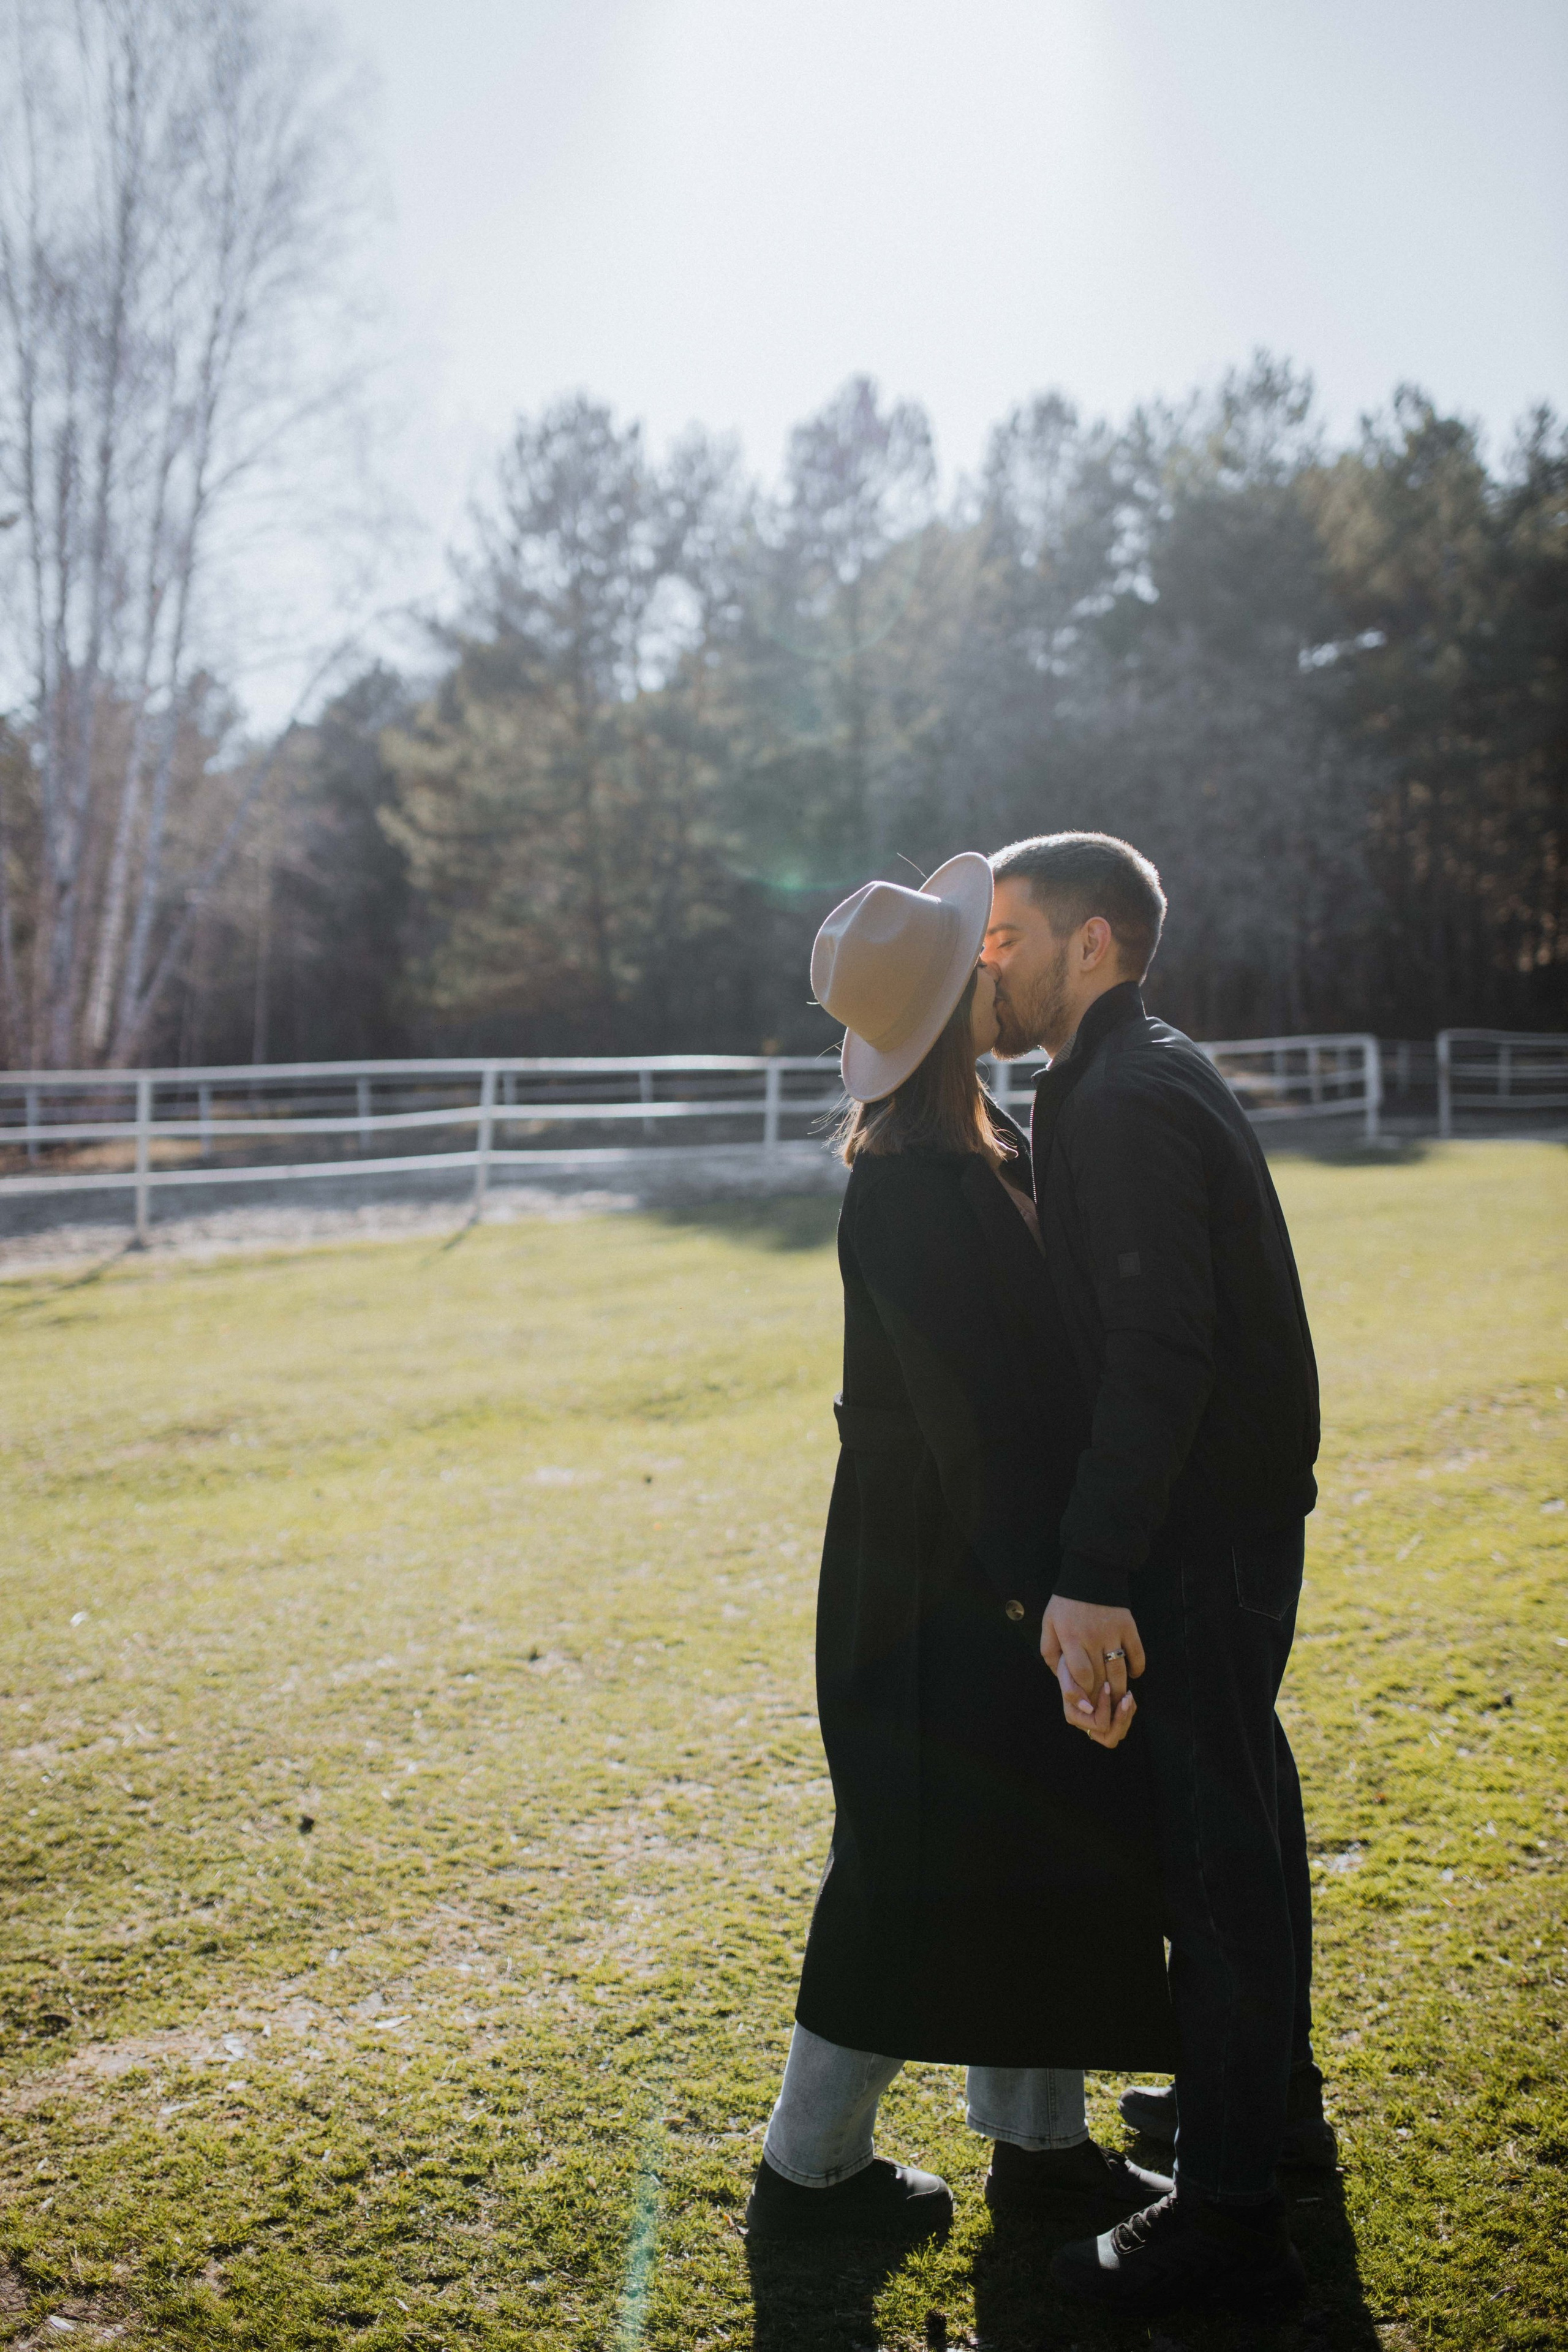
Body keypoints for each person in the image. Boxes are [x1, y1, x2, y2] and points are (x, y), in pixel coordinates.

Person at [745, 853, 1177, 2248]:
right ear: (945, 1013)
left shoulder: (983, 1143)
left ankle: (1039, 2149)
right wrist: (1035, 1590)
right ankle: (806, 2173)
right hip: (935, 1578)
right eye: (974, 962)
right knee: (904, 1859)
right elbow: (966, 1426)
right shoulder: (913, 1184)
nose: (998, 965)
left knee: (1037, 1836)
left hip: (996, 1562)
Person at [982, 829, 1334, 2314]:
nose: (982, 959)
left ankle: (1230, 2210)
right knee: (1241, 1813)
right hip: (1228, 1522)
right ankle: (1262, 2111)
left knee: (1213, 1856)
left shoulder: (1121, 1095)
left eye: (1008, 933)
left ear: (1094, 946)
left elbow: (1160, 1350)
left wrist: (1093, 1568)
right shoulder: (1125, 1070)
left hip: (1196, 1537)